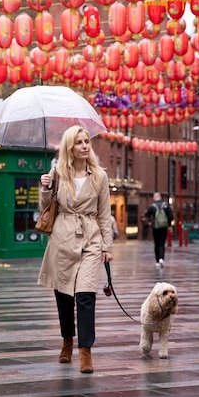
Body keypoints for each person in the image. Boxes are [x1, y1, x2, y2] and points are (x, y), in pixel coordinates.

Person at [38, 126, 113, 374]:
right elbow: (46, 206)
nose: (84, 146)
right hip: (62, 238)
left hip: (90, 238)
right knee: (64, 297)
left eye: (86, 142)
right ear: (69, 147)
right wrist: (46, 187)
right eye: (79, 142)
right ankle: (67, 342)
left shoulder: (100, 176)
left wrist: (107, 246)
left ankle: (85, 351)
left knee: (85, 295)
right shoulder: (57, 173)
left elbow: (104, 213)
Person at [144, 192, 174, 269]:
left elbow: (146, 216)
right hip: (164, 227)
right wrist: (168, 224)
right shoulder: (166, 205)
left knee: (156, 243)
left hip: (155, 227)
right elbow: (171, 216)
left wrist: (150, 223)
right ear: (160, 197)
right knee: (162, 243)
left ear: (154, 198)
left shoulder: (152, 206)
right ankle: (161, 258)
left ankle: (157, 261)